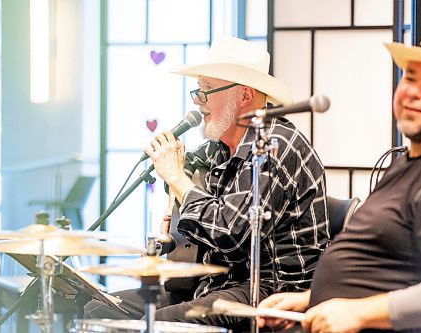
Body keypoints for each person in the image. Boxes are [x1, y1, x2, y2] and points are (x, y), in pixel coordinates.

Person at [85, 37, 329, 332]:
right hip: (215, 282)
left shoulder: (274, 144)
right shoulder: (220, 147)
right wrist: (171, 201)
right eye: (197, 90)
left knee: (156, 324)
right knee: (98, 308)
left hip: (267, 290)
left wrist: (176, 179)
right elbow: (185, 180)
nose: (197, 101)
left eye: (205, 90)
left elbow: (230, 234)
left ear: (244, 95)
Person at [257, 18, 421, 333]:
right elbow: (390, 271)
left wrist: (360, 313)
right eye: (411, 78)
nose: (414, 92)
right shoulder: (408, 164)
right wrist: (309, 300)